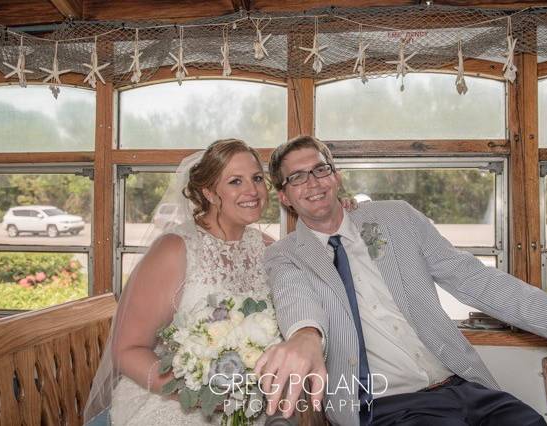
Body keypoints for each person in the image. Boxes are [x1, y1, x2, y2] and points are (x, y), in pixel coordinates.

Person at [259, 135, 547, 426]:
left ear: (336, 176)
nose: (313, 183)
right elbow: (295, 297)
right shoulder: (286, 255)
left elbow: (476, 280)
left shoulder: (394, 219)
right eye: (296, 177)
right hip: (387, 406)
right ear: (284, 196)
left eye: (320, 170)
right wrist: (305, 335)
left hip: (467, 387)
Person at [84, 138, 350, 425]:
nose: (253, 190)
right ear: (210, 193)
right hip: (174, 401)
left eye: (257, 178)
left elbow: (308, 280)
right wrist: (198, 396)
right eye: (236, 181)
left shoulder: (266, 248)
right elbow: (127, 351)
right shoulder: (174, 250)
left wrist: (341, 213)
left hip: (250, 403)